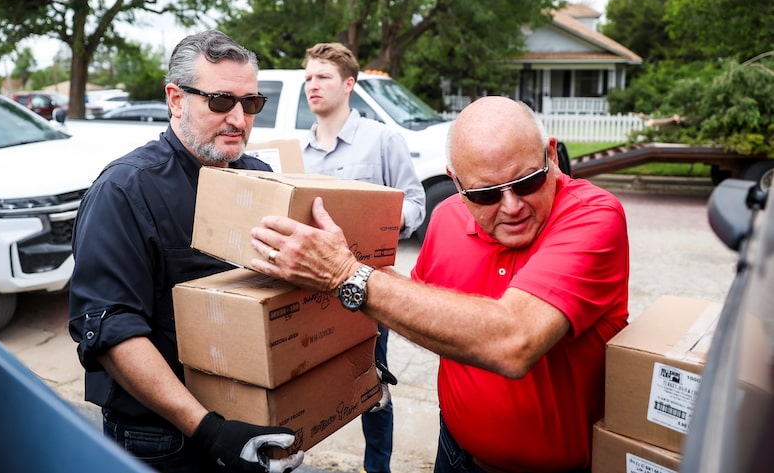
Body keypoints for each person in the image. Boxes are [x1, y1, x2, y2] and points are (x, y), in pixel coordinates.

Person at [249, 97, 630, 473]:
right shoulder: (447, 218)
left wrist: (345, 274)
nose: (512, 206)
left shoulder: (593, 216)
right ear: (456, 182)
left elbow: (514, 341)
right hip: (455, 453)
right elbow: (415, 308)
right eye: (485, 194)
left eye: (527, 182)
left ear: (552, 156)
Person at [68, 30, 304, 473]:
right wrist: (210, 431)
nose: (238, 118)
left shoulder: (259, 178)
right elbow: (111, 332)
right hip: (160, 438)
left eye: (251, 103)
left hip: (250, 424)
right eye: (220, 101)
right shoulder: (124, 191)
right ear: (176, 100)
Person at [301, 42, 426, 473]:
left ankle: (379, 469)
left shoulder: (381, 139)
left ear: (349, 84)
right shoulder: (297, 153)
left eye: (323, 77)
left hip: (367, 287)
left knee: (373, 387)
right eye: (308, 78)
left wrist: (379, 226)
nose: (312, 86)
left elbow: (416, 201)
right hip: (310, 291)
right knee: (305, 381)